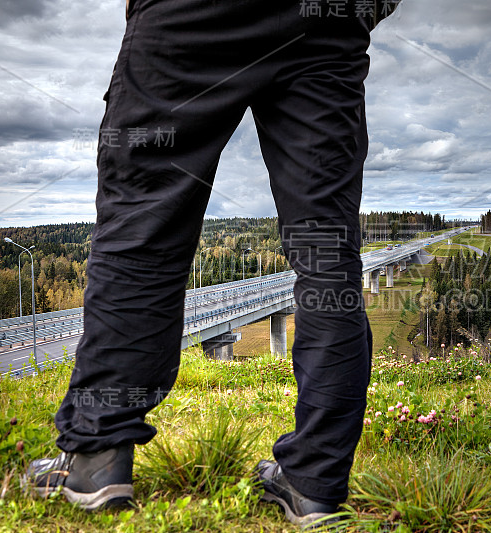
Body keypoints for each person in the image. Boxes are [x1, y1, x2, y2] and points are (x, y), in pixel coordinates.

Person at [22, 0, 400, 528]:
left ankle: (96, 453)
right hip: (327, 23)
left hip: (192, 13)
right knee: (327, 251)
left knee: (142, 229)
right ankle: (314, 483)